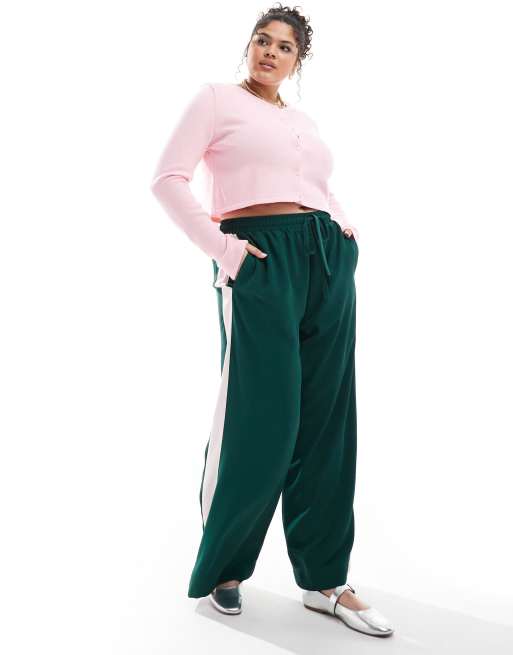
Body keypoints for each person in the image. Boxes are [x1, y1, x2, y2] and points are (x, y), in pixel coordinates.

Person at [150, 4, 394, 638]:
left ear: (297, 60)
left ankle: (325, 579)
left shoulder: (302, 122)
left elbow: (314, 185)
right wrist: (226, 251)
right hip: (259, 260)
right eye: (263, 40)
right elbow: (167, 179)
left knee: (327, 419)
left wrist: (343, 232)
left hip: (325, 262)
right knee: (260, 415)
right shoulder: (215, 99)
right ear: (250, 45)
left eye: (285, 47)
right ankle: (224, 569)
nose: (270, 52)